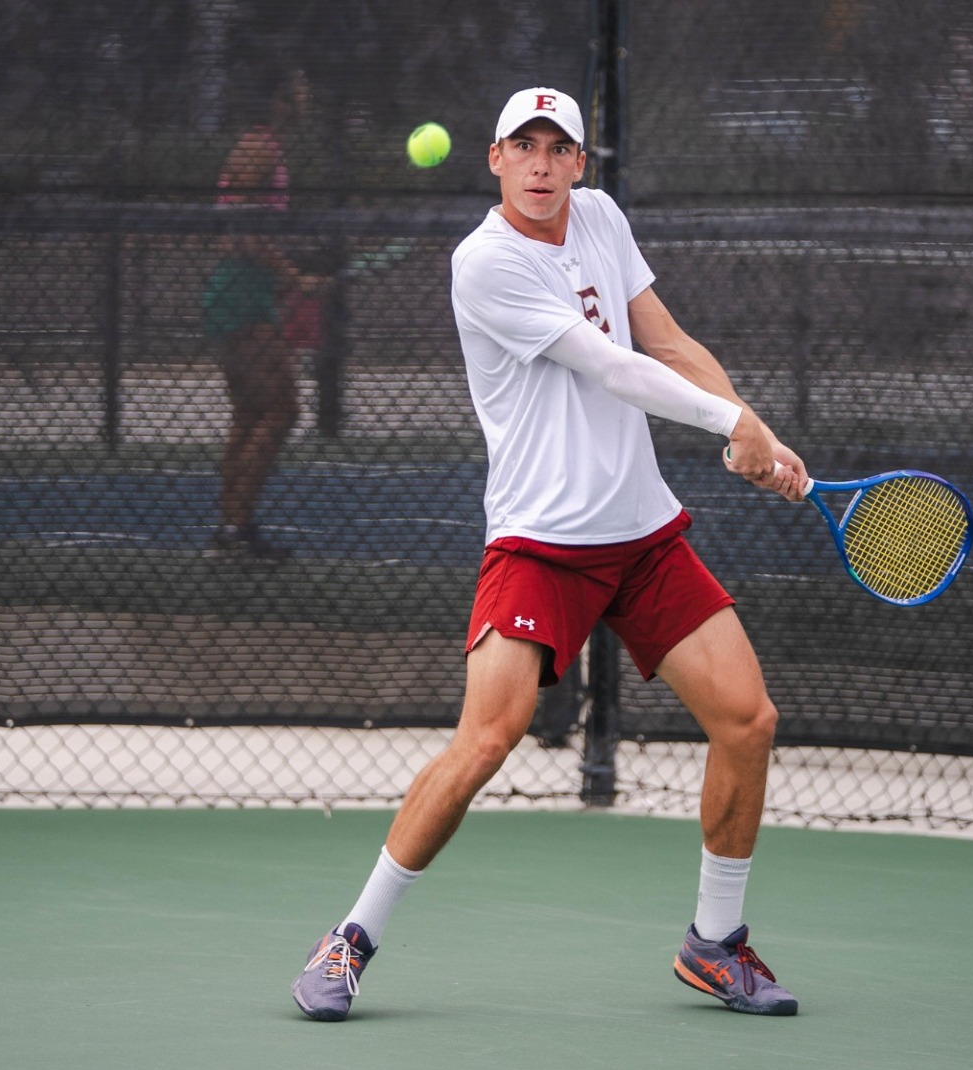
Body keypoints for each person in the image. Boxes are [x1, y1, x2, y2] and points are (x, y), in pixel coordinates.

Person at [289, 87, 808, 1021]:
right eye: (521, 146)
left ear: (580, 162)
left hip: (642, 534)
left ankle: (715, 943)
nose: (538, 162)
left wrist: (749, 435)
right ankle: (351, 938)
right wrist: (737, 422)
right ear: (494, 159)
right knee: (488, 738)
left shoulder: (602, 220)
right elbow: (612, 367)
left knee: (748, 720)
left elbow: (667, 343)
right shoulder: (483, 263)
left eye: (555, 147)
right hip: (540, 541)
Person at [205, 68, 321, 559]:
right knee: (282, 409)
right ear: (276, 98)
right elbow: (244, 232)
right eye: (296, 86)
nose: (304, 95)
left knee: (252, 412)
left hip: (248, 290)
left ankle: (233, 528)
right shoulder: (258, 147)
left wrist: (288, 276)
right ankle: (234, 527)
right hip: (240, 291)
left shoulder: (265, 146)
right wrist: (293, 275)